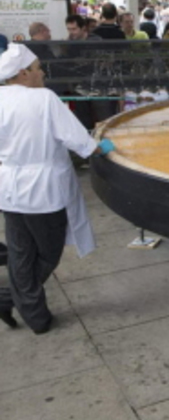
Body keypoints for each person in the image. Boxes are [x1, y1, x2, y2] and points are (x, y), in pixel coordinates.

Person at [0, 44, 115, 333]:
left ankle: (32, 314)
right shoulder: (44, 99)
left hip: (9, 189)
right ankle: (14, 301)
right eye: (38, 68)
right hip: (43, 190)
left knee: (20, 253)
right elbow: (79, 141)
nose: (42, 74)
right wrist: (103, 147)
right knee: (49, 252)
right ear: (23, 73)